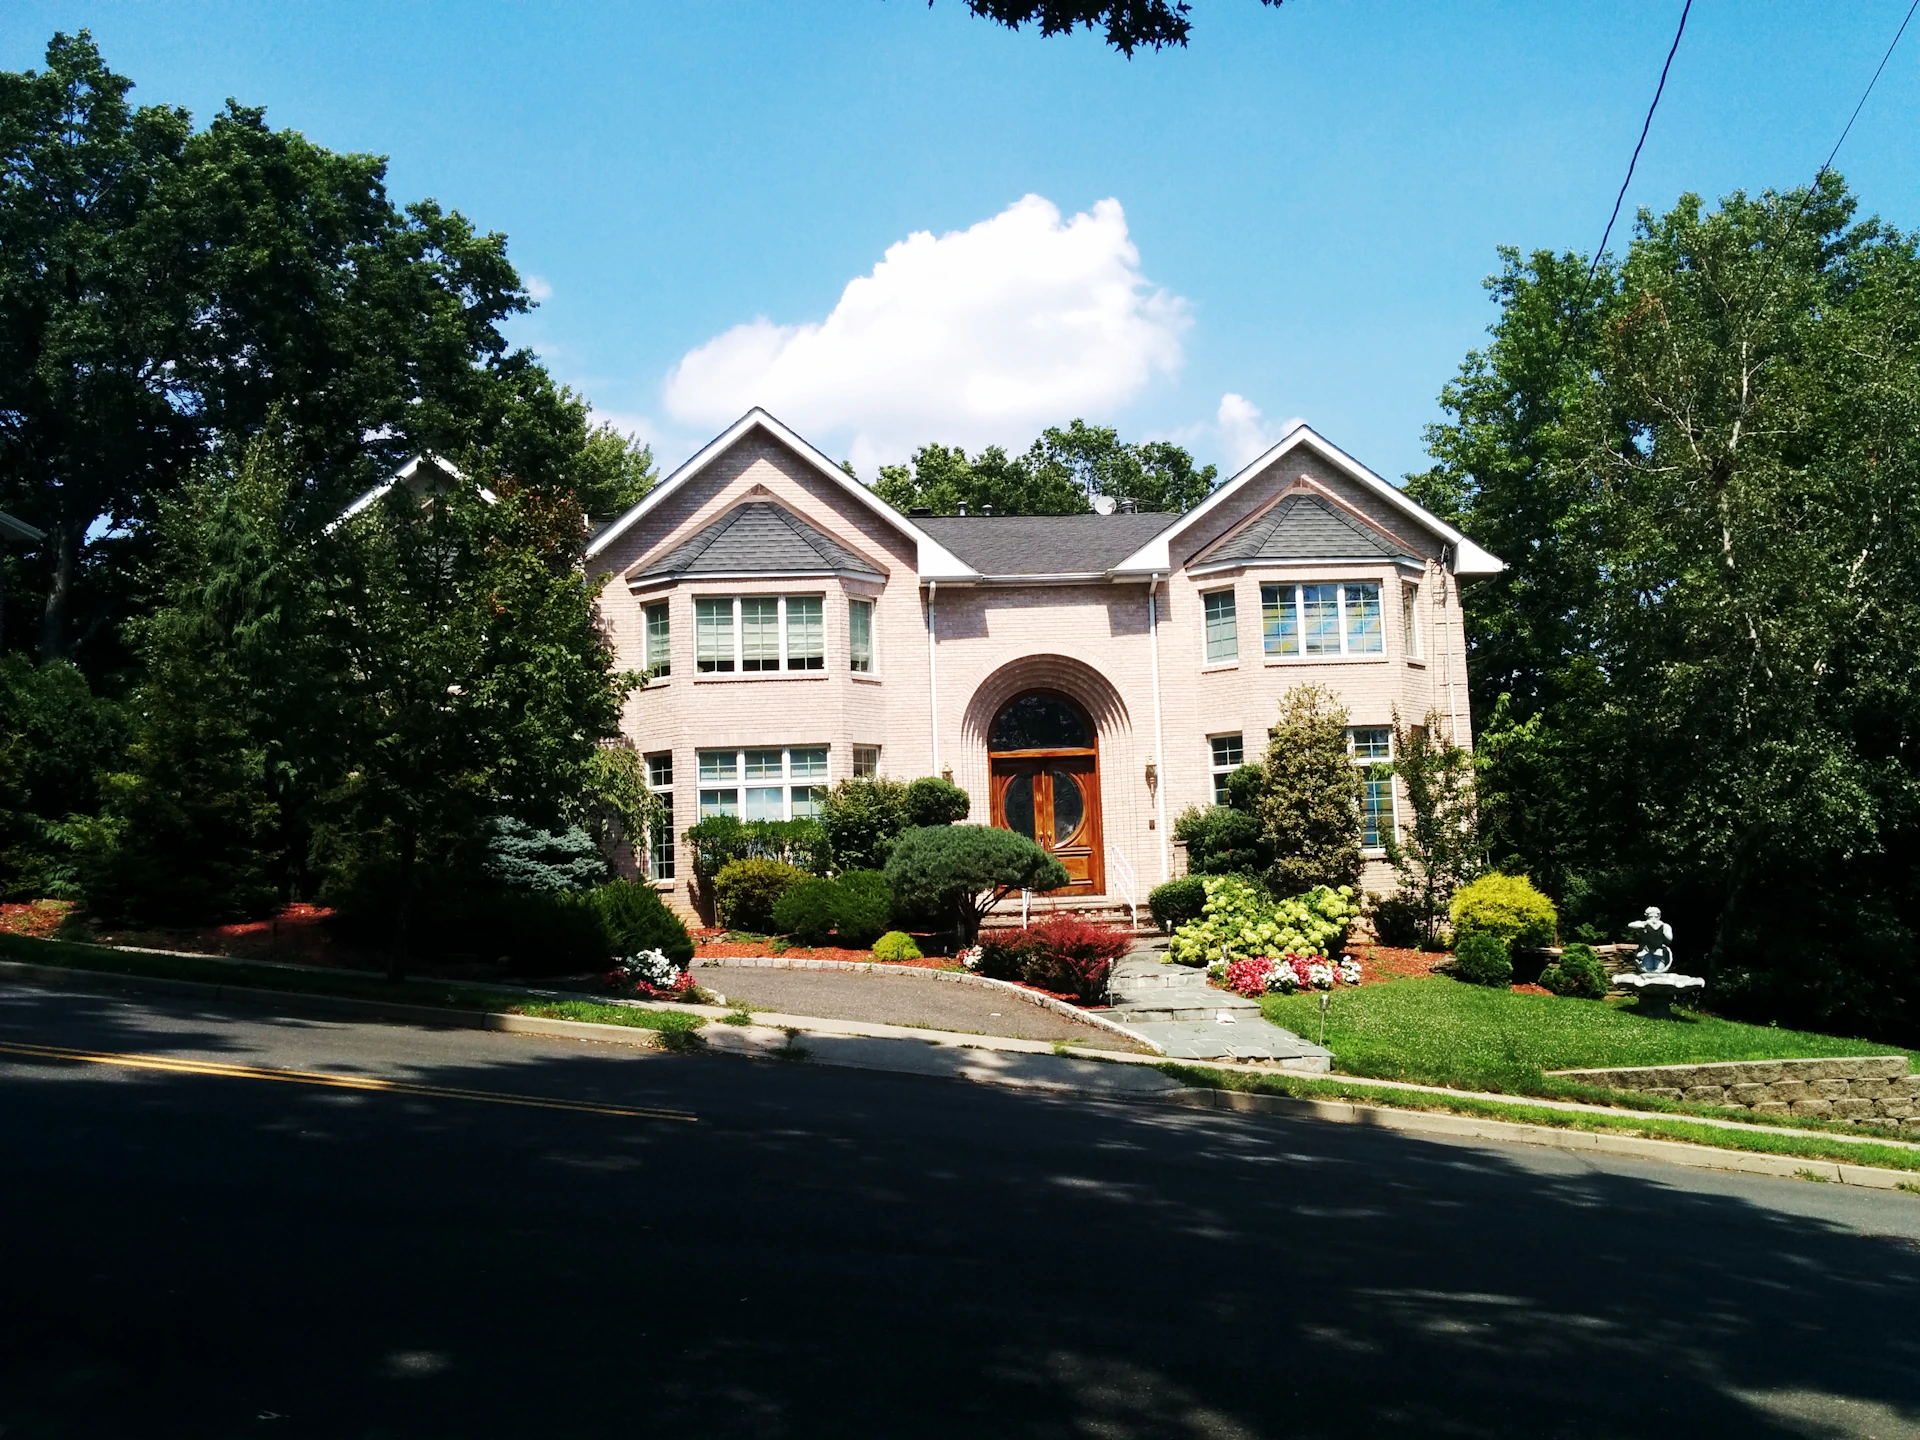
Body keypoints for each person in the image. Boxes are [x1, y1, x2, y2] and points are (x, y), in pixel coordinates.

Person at [1627, 906, 1674, 974]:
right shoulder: (1643, 924)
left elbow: (1669, 940)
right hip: (1646, 951)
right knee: (1647, 970)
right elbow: (1630, 925)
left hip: (1658, 951)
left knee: (1659, 970)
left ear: (1659, 916)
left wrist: (1662, 933)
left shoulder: (1665, 926)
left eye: (1655, 917)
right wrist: (1645, 925)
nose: (1653, 919)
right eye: (1650, 917)